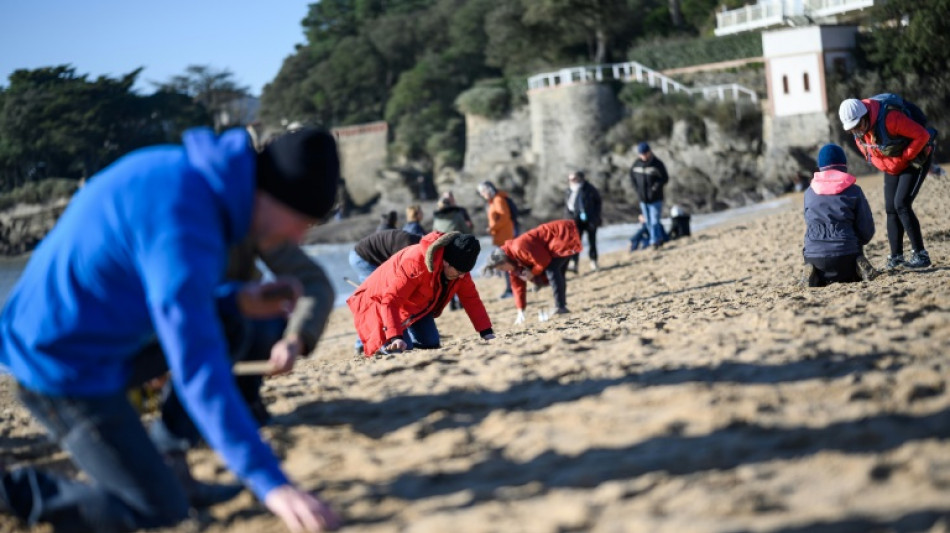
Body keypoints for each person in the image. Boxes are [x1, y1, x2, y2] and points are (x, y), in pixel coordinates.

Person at [0, 127, 342, 532]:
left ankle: (168, 457)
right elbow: (200, 369)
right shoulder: (187, 223)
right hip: (59, 363)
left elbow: (148, 291)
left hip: (103, 341)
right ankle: (12, 492)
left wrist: (233, 300)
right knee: (159, 512)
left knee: (230, 320)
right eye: (302, 222)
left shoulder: (191, 175)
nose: (299, 236)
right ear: (271, 196)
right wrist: (273, 484)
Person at [347, 232, 495, 356]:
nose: (462, 276)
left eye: (464, 272)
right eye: (459, 272)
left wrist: (486, 332)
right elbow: (390, 301)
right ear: (445, 262)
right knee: (401, 349)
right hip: (377, 304)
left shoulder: (460, 271)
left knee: (431, 343)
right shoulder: (416, 263)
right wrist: (396, 337)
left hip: (414, 306)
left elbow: (471, 300)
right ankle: (381, 346)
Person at [838, 95, 936, 270]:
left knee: (902, 204)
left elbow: (922, 135)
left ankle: (920, 254)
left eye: (857, 126)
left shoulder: (891, 119)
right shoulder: (858, 133)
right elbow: (871, 155)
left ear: (866, 116)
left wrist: (905, 157)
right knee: (891, 208)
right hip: (892, 165)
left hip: (916, 158)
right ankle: (896, 257)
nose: (856, 132)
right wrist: (892, 165)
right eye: (851, 129)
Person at [802, 144, 877, 287]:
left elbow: (808, 221)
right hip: (846, 256)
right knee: (852, 256)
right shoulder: (854, 191)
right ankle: (857, 266)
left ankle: (813, 271)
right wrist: (860, 241)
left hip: (814, 256)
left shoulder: (808, 193)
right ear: (843, 165)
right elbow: (866, 228)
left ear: (820, 167)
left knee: (812, 238)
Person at [483, 220, 582, 324]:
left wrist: (533, 273)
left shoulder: (519, 247)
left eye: (502, 268)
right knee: (557, 271)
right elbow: (517, 287)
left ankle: (560, 307)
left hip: (563, 233)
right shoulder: (511, 263)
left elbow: (544, 260)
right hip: (556, 240)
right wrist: (520, 310)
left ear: (504, 261)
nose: (504, 271)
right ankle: (561, 306)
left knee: (552, 270)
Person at [348, 229, 422, 353]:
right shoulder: (409, 250)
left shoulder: (416, 245)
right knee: (374, 299)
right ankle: (361, 342)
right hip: (362, 257)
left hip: (373, 254)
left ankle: (364, 341)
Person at [477, 181, 517, 298]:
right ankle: (511, 288)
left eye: (483, 192)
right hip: (501, 236)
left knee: (505, 263)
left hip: (505, 237)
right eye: (481, 193)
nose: (482, 195)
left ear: (488, 190)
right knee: (506, 262)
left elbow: (505, 217)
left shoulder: (498, 199)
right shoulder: (494, 201)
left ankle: (511, 289)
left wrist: (492, 228)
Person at [629, 141, 669, 250]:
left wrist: (656, 187)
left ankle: (654, 241)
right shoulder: (636, 165)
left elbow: (665, 178)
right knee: (648, 222)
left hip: (656, 198)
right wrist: (637, 190)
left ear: (649, 152)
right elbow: (632, 178)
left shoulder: (657, 164)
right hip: (643, 199)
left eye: (645, 153)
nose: (644, 155)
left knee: (655, 220)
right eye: (641, 154)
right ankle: (658, 239)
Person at [564, 171, 602, 273]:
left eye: (573, 179)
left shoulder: (589, 189)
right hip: (574, 219)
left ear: (580, 178)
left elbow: (598, 202)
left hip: (590, 219)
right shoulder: (568, 190)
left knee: (592, 241)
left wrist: (595, 216)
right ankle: (574, 263)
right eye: (570, 179)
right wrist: (568, 219)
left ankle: (593, 261)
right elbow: (567, 206)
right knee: (575, 242)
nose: (571, 181)